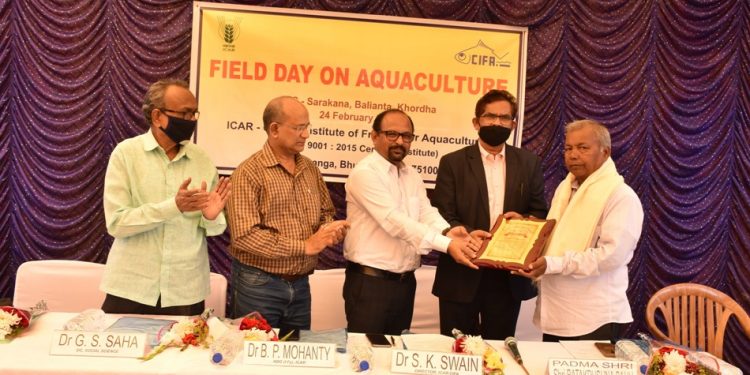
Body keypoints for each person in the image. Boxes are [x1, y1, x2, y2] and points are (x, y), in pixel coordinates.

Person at [344, 109, 482, 335]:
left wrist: (449, 232)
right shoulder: (365, 173)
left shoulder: (411, 174)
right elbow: (395, 222)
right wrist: (447, 245)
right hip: (370, 284)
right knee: (365, 358)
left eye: (406, 136)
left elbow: (426, 212)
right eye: (392, 134)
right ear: (374, 136)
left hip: (405, 283)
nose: (400, 141)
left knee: (395, 358)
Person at [101, 78, 231, 315]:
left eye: (194, 114)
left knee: (186, 352)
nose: (191, 120)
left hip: (185, 289)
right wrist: (173, 207)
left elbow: (211, 229)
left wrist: (211, 217)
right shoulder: (126, 154)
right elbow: (117, 224)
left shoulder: (202, 159)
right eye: (185, 113)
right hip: (131, 286)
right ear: (157, 116)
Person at [431, 89, 548, 340]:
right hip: (462, 270)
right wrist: (466, 234)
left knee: (499, 352)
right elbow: (441, 212)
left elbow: (539, 211)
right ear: (476, 122)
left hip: (506, 277)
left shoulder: (529, 163)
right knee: (456, 353)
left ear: (513, 124)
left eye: (504, 118)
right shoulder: (453, 162)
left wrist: (523, 223)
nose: (497, 123)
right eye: (490, 116)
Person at [515, 119, 644, 343]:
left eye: (583, 148)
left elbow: (610, 257)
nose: (573, 155)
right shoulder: (565, 188)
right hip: (558, 313)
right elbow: (556, 235)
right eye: (568, 148)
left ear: (605, 152)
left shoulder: (621, 196)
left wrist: (552, 263)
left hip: (594, 318)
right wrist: (524, 229)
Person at [227, 96, 348, 330]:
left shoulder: (309, 167)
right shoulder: (248, 173)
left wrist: (330, 230)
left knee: (295, 356)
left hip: (301, 284)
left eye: (307, 127)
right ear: (274, 129)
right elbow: (244, 235)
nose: (306, 135)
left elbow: (325, 212)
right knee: (254, 357)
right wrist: (306, 246)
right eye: (299, 128)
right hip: (259, 285)